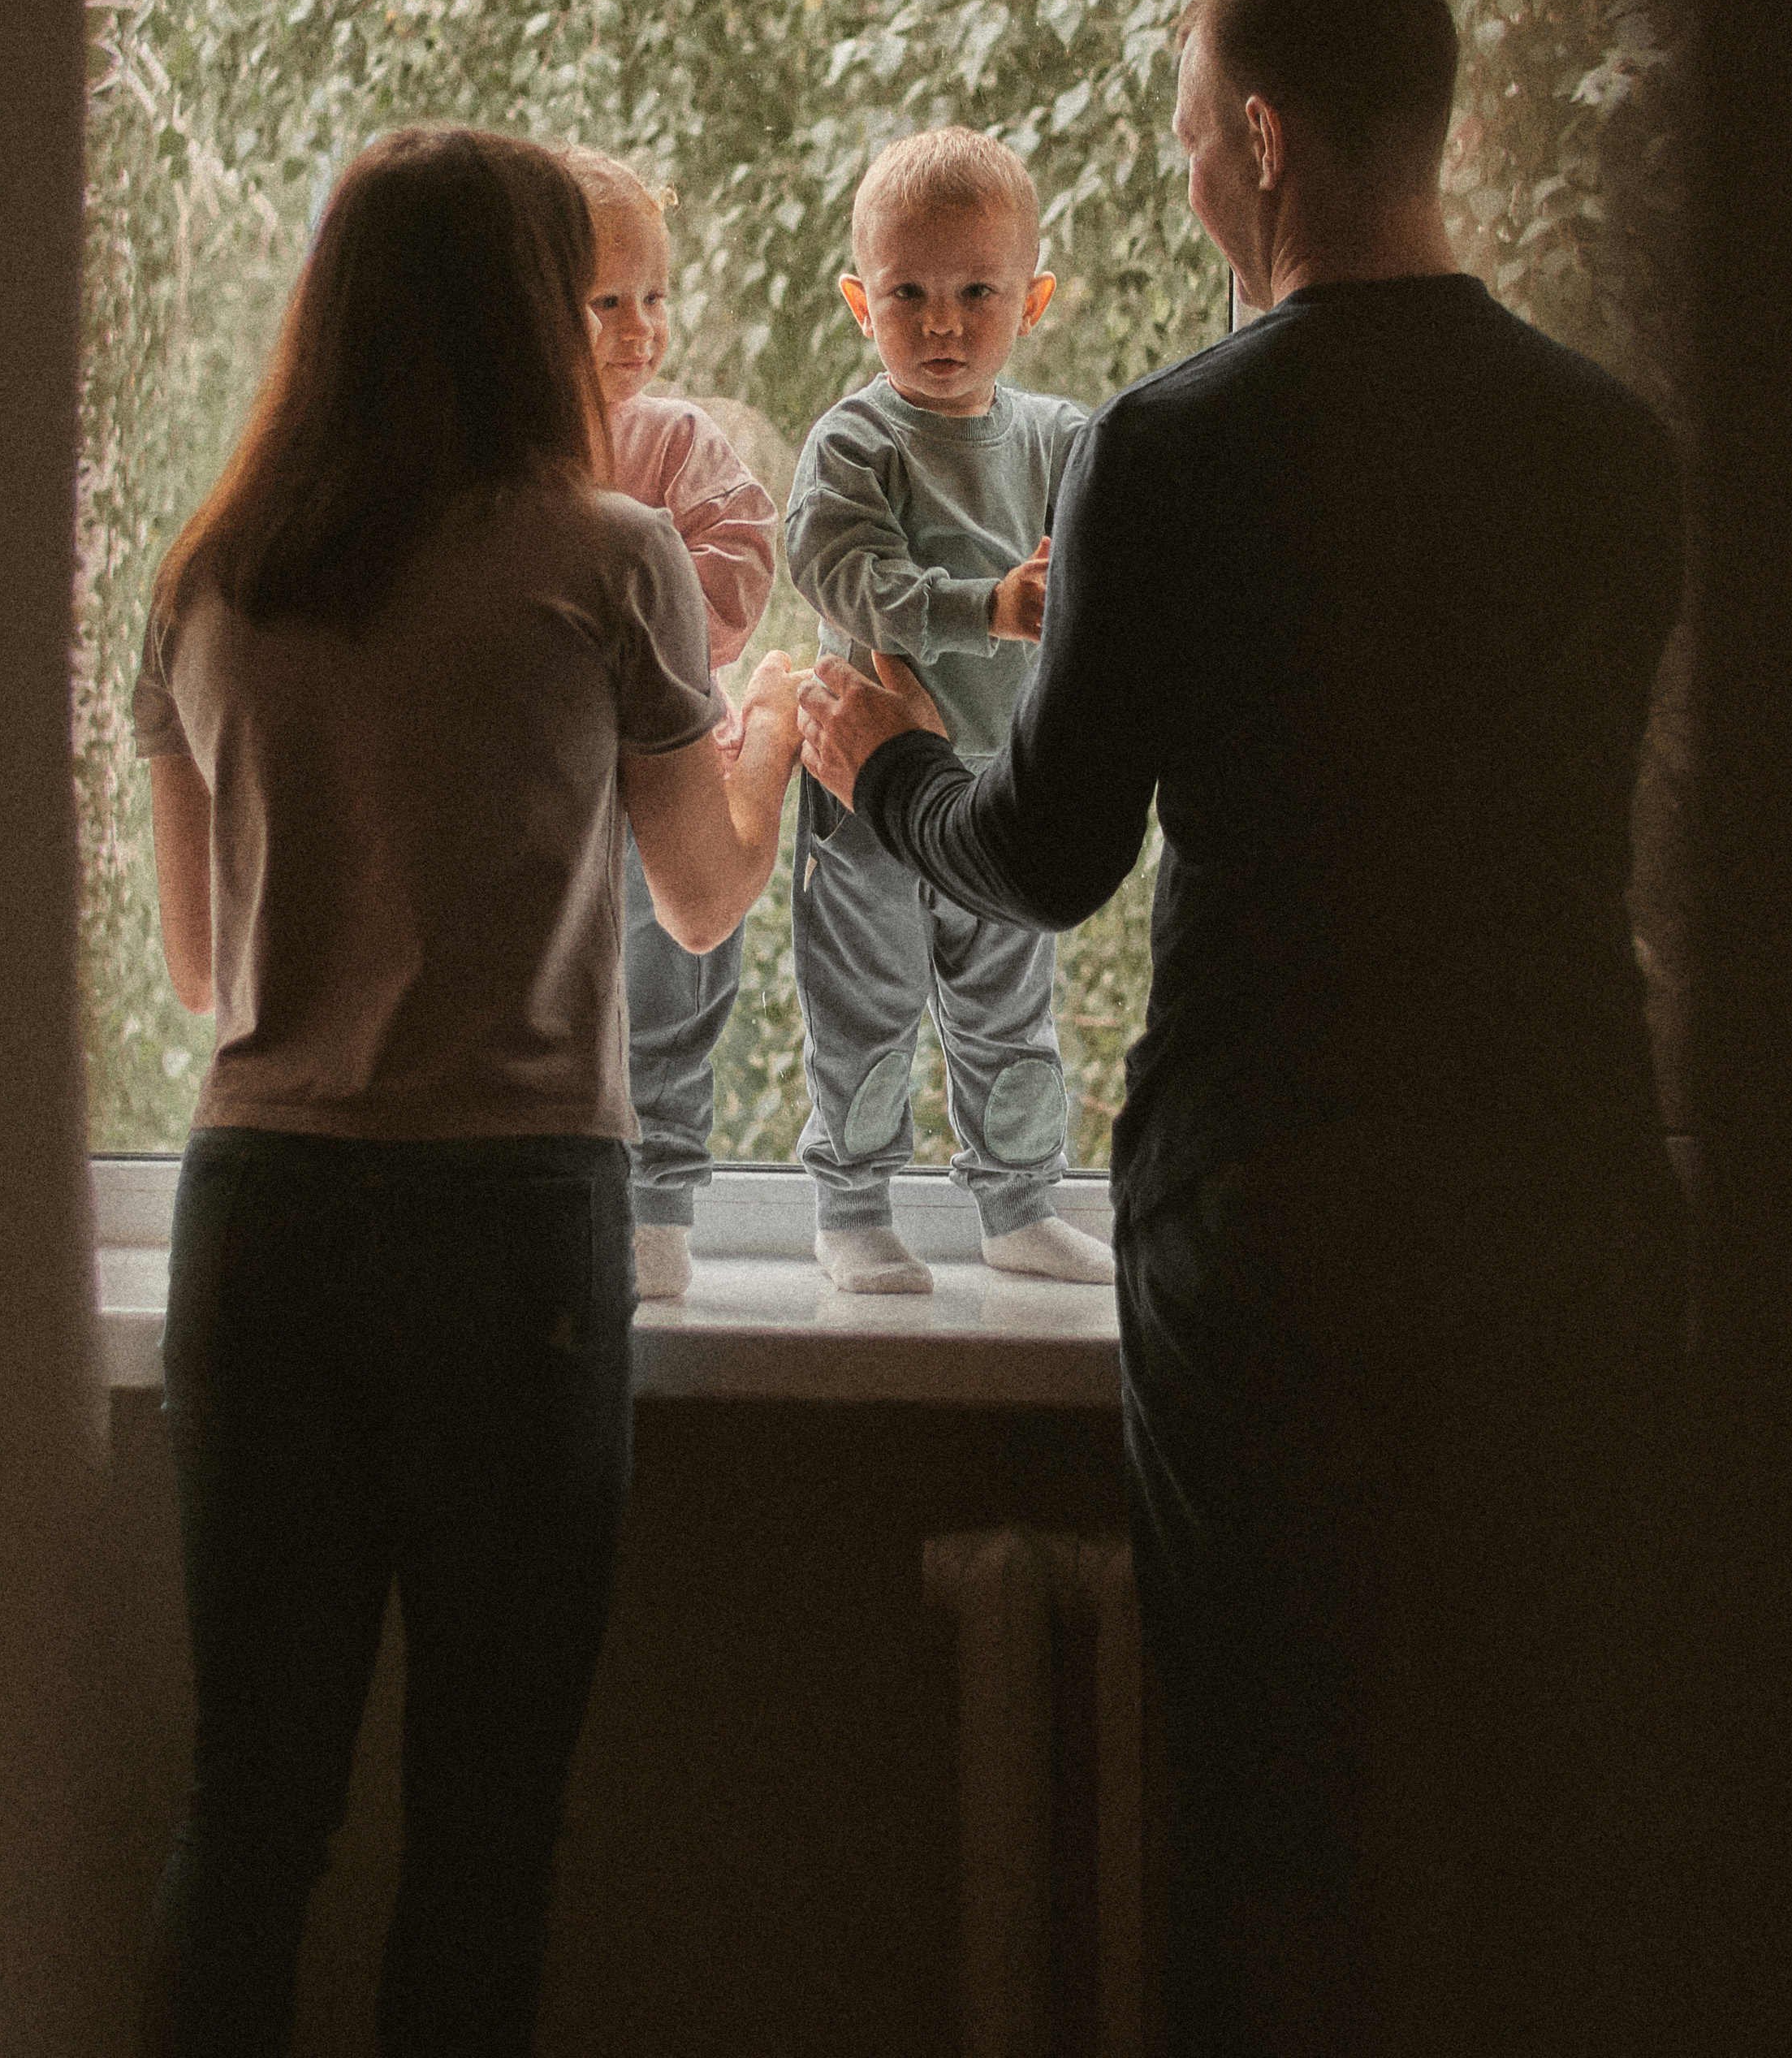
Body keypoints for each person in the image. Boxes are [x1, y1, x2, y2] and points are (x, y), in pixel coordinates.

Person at [798, 0, 1689, 2055]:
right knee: (1551, 1825)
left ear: (1265, 141)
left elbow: (1045, 856)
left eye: (1195, 129)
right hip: (1565, 1200)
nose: (1191, 169)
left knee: (1261, 1843)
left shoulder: (1176, 452)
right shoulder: (1614, 449)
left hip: (1269, 1220)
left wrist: (882, 764)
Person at [131, 126, 803, 2058]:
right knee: (484, 1824)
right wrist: (764, 736)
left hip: (258, 1212)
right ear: (523, 307)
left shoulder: (213, 578)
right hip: (506, 1230)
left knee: (250, 1813)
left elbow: (198, 973)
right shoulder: (608, 557)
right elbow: (699, 892)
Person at [786, 125, 1114, 1292]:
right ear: (856, 301)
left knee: (1008, 1012)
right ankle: (852, 1204)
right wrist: (991, 604)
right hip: (863, 799)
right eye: (907, 293)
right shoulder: (854, 443)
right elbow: (841, 575)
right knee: (866, 1008)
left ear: (1033, 302)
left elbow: (1111, 580)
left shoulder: (1065, 440)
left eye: (978, 292)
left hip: (1000, 793)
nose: (942, 322)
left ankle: (1018, 1202)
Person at [565, 144, 780, 1303]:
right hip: (550, 782)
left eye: (655, 298)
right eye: (607, 302)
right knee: (565, 1002)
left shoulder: (672, 438)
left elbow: (744, 559)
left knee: (675, 992)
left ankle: (664, 1208)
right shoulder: (505, 455)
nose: (640, 328)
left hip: (665, 768)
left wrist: (647, 622)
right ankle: (590, 1195)